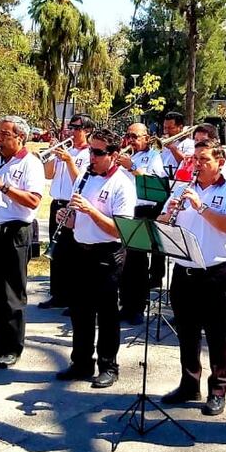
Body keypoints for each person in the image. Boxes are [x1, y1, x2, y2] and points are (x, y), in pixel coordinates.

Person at [157, 139, 226, 417]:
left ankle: (218, 390)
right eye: (195, 159)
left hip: (216, 272)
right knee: (187, 332)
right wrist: (169, 213)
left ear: (220, 162)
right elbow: (160, 222)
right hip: (184, 270)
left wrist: (201, 208)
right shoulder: (183, 188)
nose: (198, 164)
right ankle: (189, 383)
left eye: (204, 159)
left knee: (218, 334)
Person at [56, 128, 136, 388]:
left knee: (107, 312)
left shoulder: (122, 183)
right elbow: (74, 220)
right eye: (91, 150)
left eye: (98, 152)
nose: (92, 157)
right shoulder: (85, 177)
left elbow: (119, 230)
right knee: (80, 310)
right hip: (80, 250)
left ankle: (108, 365)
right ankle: (81, 362)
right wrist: (66, 219)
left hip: (107, 254)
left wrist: (90, 211)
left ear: (114, 155)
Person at [0, 116, 45, 369]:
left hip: (14, 232)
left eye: (5, 134)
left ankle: (13, 347)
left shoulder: (30, 163)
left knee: (12, 293)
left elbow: (33, 201)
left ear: (20, 137)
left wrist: (2, 186)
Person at [115, 122, 167, 325]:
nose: (131, 140)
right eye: (129, 135)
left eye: (135, 136)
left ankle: (138, 307)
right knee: (124, 261)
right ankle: (125, 304)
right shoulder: (123, 154)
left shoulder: (153, 156)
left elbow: (156, 182)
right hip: (124, 209)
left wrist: (133, 167)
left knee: (138, 262)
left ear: (147, 137)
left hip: (143, 210)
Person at [40, 114, 93, 311]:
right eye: (71, 127)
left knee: (73, 253)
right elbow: (48, 174)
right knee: (56, 251)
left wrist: (70, 161)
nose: (72, 131)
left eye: (77, 127)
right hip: (57, 203)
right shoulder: (66, 149)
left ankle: (73, 297)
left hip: (74, 204)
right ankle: (57, 294)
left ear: (87, 130)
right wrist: (52, 155)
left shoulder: (89, 154)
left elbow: (81, 182)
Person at [159, 111, 195, 179]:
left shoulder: (190, 143)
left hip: (179, 182)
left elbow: (187, 163)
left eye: (170, 128)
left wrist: (172, 147)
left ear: (180, 127)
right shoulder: (162, 143)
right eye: (165, 128)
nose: (166, 131)